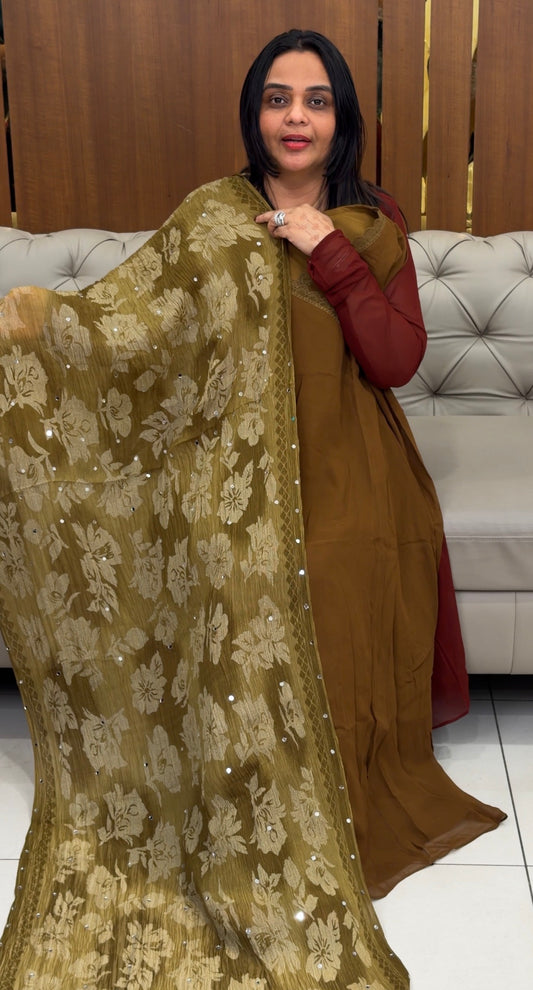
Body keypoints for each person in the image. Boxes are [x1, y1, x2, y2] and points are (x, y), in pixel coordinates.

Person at [0, 28, 504, 990]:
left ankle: (333, 794)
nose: (295, 118)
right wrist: (37, 326)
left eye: (316, 100)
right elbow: (130, 329)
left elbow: (396, 359)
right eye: (278, 99)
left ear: (342, 118)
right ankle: (235, 789)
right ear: (254, 113)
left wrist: (327, 252)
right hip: (228, 468)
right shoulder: (211, 216)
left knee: (335, 575)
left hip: (351, 462)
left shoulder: (371, 222)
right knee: (225, 580)